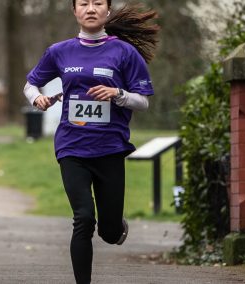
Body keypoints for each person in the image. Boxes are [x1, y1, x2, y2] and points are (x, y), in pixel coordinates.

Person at [24, 1, 159, 283]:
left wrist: (117, 93)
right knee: (83, 218)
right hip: (72, 147)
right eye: (83, 3)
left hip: (110, 148)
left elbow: (143, 102)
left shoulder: (124, 52)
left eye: (98, 3)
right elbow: (30, 84)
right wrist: (37, 98)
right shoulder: (59, 52)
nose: (91, 8)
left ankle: (114, 226)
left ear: (107, 10)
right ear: (74, 11)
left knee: (108, 232)